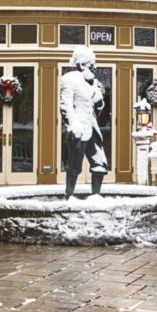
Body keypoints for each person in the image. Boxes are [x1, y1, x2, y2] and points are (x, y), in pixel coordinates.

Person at [59, 46, 109, 199]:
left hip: (92, 127)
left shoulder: (94, 82)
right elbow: (65, 105)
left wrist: (100, 99)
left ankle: (96, 196)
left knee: (100, 162)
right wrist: (73, 125)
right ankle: (69, 196)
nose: (94, 67)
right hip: (78, 129)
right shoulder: (69, 79)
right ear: (81, 64)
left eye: (95, 64)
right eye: (91, 64)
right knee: (74, 166)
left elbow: (98, 108)